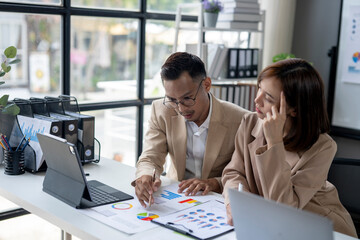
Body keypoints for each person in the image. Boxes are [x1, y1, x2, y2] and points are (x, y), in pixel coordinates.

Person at [221, 58, 358, 238]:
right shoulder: (250, 122)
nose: (257, 100)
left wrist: (274, 143)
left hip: (316, 227)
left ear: (294, 109)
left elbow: (284, 208)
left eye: (268, 97)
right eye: (259, 88)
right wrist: (236, 205)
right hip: (267, 224)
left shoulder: (323, 147)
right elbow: (233, 173)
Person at [132, 52, 249, 208]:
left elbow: (247, 175)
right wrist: (145, 176)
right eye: (173, 100)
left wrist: (214, 183)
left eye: (187, 98)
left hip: (219, 201)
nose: (180, 109)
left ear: (207, 85)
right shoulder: (161, 110)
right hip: (176, 198)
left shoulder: (241, 120)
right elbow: (151, 156)